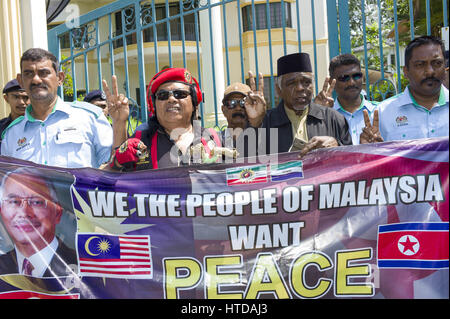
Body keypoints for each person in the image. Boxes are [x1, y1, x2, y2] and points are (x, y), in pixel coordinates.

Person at [0, 48, 129, 168]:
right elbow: (8, 183)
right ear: (20, 80)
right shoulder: (11, 134)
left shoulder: (89, 117)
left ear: (60, 78)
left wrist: (119, 123)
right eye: (28, 74)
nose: (36, 80)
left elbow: (115, 166)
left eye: (44, 73)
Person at [108, 67, 235, 171]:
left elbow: (246, 178)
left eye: (180, 94)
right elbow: (108, 178)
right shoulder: (140, 141)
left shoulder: (216, 139)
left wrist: (255, 120)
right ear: (155, 106)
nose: (171, 99)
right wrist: (119, 123)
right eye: (163, 95)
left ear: (194, 104)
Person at [256, 52, 352, 156]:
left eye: (306, 82)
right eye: (291, 83)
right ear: (278, 89)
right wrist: (254, 124)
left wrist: (337, 146)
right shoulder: (265, 122)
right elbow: (248, 162)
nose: (300, 88)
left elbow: (352, 161)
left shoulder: (334, 119)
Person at [360, 36, 448, 143]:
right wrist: (369, 149)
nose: (430, 71)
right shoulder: (383, 113)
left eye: (437, 63)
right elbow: (372, 156)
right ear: (406, 72)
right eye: (420, 65)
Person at [0, 167, 77, 277]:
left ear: (57, 213)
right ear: (1, 211)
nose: (24, 212)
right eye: (14, 201)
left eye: (36, 202)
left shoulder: (83, 267)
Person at [324, 53, 378, 145]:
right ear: (331, 82)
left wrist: (380, 146)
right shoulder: (325, 117)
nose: (351, 83)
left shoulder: (380, 111)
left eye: (356, 76)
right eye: (344, 78)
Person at [220, 71, 266, 159]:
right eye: (232, 103)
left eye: (243, 103)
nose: (238, 108)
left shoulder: (263, 136)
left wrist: (258, 121)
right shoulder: (215, 141)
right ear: (223, 110)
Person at [0, 79, 30, 144]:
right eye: (16, 97)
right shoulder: (1, 127)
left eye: (25, 97)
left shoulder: (40, 124)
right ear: (6, 98)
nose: (21, 102)